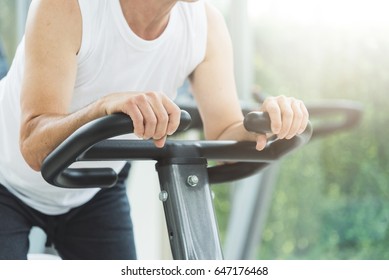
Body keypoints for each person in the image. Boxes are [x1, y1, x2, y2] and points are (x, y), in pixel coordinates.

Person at [0, 0, 309, 260]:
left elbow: (226, 134)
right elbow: (34, 145)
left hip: (92, 191)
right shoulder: (69, 7)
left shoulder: (206, 26)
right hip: (7, 182)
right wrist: (102, 106)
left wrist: (269, 124)